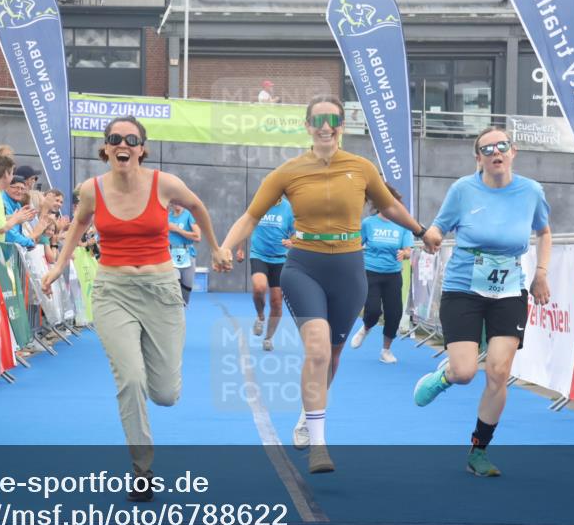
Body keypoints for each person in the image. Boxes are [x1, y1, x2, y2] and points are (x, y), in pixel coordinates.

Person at [219, 96, 425, 472]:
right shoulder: (287, 172)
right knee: (315, 350)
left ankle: (306, 415)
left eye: (333, 119)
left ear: (342, 125)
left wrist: (419, 231)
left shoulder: (361, 167)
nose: (325, 126)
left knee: (331, 356)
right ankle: (319, 445)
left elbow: (390, 206)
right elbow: (251, 216)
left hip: (349, 269)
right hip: (304, 267)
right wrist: (225, 247)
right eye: (318, 120)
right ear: (308, 126)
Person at [43, 116, 230, 501]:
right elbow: (78, 225)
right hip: (114, 292)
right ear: (106, 148)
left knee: (164, 394)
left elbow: (197, 207)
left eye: (131, 139)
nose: (123, 144)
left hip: (161, 290)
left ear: (142, 148)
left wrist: (215, 247)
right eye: (115, 139)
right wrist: (60, 264)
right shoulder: (92, 190)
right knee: (129, 380)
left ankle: (154, 379)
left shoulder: (165, 184)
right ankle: (141, 470)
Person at [414, 127, 552, 478]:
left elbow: (544, 231)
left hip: (509, 291)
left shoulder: (531, 191)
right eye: (487, 148)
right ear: (478, 158)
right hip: (464, 288)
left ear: (513, 151)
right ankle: (444, 376)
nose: (496, 152)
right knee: (464, 372)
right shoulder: (463, 190)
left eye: (501, 146)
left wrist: (541, 273)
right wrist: (429, 236)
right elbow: (438, 229)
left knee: (499, 372)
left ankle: (479, 450)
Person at [349, 183, 412, 364]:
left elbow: (408, 250)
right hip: (371, 272)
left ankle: (386, 350)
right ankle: (366, 327)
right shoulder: (368, 223)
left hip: (393, 275)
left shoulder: (402, 225)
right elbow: (356, 244)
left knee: (394, 314)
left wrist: (404, 253)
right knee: (374, 310)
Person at [235, 196, 294, 351]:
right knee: (259, 288)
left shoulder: (289, 208)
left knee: (276, 302)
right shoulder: (260, 202)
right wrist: (240, 249)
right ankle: (260, 316)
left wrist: (292, 242)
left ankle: (268, 338)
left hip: (280, 259)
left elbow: (296, 233)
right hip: (259, 255)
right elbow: (245, 225)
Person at [0, 154, 36, 243]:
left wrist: (15, 216)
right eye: (12, 173)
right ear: (5, 174)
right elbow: (1, 228)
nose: (12, 177)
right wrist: (16, 219)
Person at [167, 201, 200, 304]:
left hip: (187, 256)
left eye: (179, 201)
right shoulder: (167, 217)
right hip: (171, 256)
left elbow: (197, 237)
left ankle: (181, 312)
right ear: (171, 203)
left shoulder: (188, 215)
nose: (177, 203)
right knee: (174, 289)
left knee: (185, 294)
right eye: (175, 201)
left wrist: (177, 229)